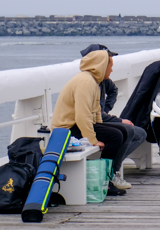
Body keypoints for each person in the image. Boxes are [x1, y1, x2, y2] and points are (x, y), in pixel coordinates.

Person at [51, 49, 131, 196]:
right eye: (110, 66)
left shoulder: (93, 80)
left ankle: (108, 175)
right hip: (67, 128)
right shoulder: (85, 82)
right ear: (101, 65)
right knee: (116, 136)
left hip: (77, 125)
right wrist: (93, 140)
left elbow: (95, 113)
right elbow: (82, 116)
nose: (112, 70)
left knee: (122, 131)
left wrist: (101, 128)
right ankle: (105, 181)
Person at [79, 44, 147, 190]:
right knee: (126, 131)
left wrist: (106, 109)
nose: (111, 68)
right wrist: (118, 120)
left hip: (97, 120)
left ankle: (111, 167)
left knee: (133, 132)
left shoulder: (102, 80)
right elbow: (84, 115)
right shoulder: (89, 82)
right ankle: (111, 172)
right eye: (108, 62)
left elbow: (112, 92)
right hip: (85, 125)